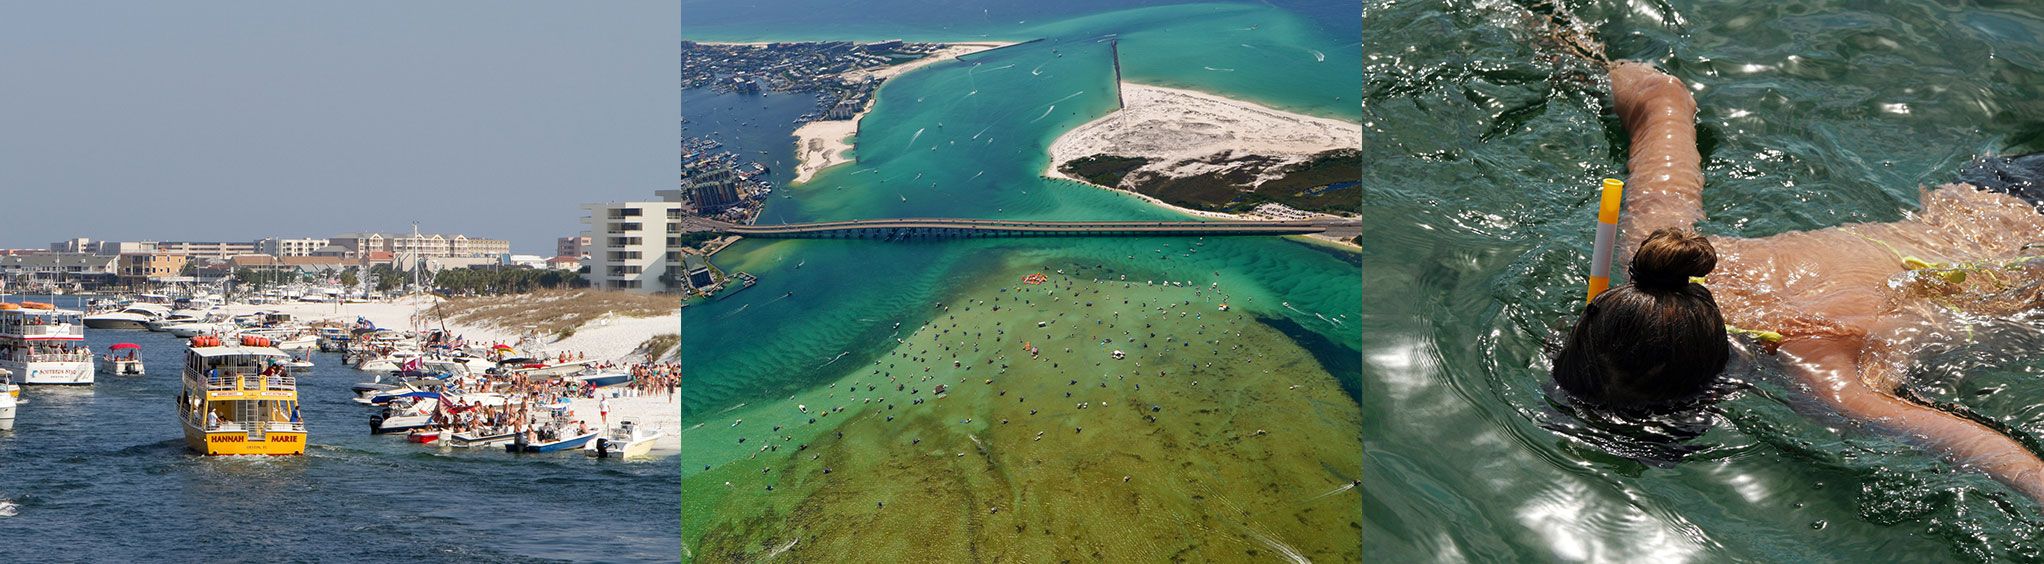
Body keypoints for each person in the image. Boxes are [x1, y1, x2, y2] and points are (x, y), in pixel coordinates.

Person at [1554, 59, 2044, 500]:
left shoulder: (1819, 374)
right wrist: (1567, 50)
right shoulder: (1657, 252)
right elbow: (1661, 97)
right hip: (1989, 189)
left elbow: (1994, 454)